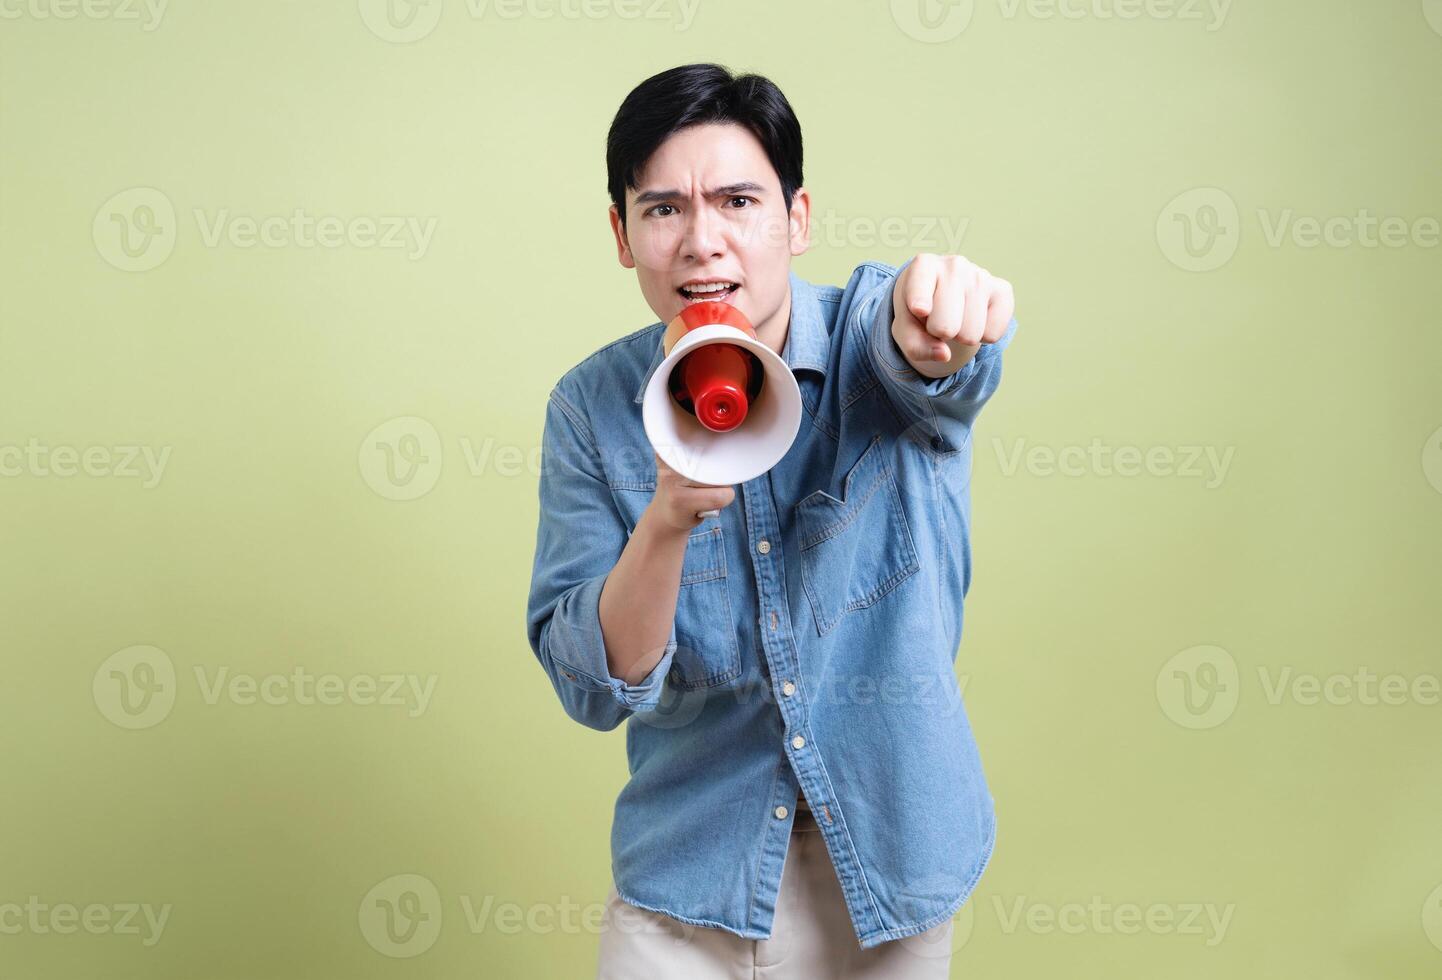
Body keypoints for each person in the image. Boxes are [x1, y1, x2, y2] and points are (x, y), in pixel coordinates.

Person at [525, 62, 1018, 979]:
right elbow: (594, 688)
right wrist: (668, 517)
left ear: (796, 219)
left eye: (739, 201)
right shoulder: (591, 412)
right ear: (623, 235)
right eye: (664, 209)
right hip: (688, 884)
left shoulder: (874, 339)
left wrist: (941, 326)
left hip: (890, 870)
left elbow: (933, 361)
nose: (702, 243)